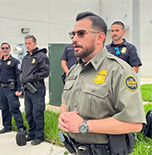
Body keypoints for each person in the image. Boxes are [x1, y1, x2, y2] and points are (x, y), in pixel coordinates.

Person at [58, 11, 146, 155]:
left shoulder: (119, 71)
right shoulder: (74, 70)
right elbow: (65, 102)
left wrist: (83, 126)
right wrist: (64, 117)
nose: (74, 39)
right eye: (72, 34)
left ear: (99, 37)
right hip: (74, 150)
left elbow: (134, 123)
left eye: (81, 33)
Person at [20, 35, 50, 145]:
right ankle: (31, 133)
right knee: (28, 113)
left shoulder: (41, 56)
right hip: (27, 90)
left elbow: (45, 72)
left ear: (35, 44)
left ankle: (39, 135)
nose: (27, 45)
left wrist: (31, 78)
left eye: (29, 43)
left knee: (37, 112)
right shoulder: (26, 58)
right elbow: (22, 72)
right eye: (26, 43)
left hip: (36, 89)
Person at [0, 42, 26, 134]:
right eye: (3, 48)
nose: (5, 50)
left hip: (11, 89)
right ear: (1, 50)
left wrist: (19, 89)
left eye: (6, 48)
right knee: (4, 108)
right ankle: (7, 126)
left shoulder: (15, 62)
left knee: (14, 108)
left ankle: (21, 128)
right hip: (2, 89)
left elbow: (19, 76)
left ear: (9, 49)